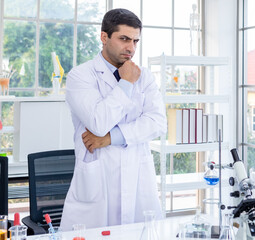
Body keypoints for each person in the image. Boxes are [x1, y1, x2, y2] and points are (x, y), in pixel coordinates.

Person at [60, 8, 167, 230]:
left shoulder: (144, 76)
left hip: (138, 180)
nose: (131, 48)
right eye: (124, 39)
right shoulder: (80, 76)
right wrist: (126, 83)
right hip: (98, 186)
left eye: (136, 41)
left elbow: (157, 123)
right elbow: (98, 122)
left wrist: (110, 138)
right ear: (104, 37)